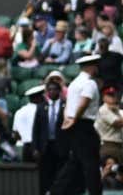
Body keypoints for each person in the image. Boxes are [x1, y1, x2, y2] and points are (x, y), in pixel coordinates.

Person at [50, 54, 103, 195]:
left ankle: (56, 191)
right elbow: (84, 102)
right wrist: (75, 119)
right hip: (83, 124)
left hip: (73, 124)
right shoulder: (89, 83)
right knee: (91, 163)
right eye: (96, 65)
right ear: (91, 67)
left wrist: (68, 119)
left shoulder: (74, 83)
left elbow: (68, 104)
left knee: (75, 162)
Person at [97, 87, 123, 165]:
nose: (112, 97)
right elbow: (117, 123)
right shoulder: (104, 109)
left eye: (113, 95)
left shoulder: (116, 110)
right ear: (103, 97)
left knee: (118, 173)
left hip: (118, 145)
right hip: (109, 145)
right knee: (110, 167)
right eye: (109, 95)